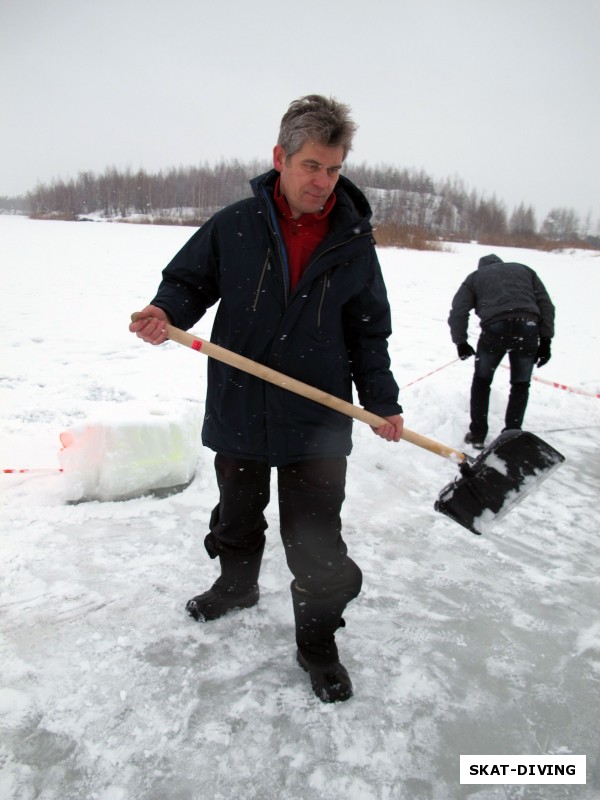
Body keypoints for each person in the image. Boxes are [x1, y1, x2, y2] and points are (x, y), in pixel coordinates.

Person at [129, 94, 403, 703]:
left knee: (317, 540)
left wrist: (382, 400)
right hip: (242, 401)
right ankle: (236, 585)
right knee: (236, 513)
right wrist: (164, 311)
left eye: (334, 169)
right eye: (311, 166)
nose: (322, 181)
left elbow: (368, 333)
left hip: (318, 417)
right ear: (280, 157)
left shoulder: (353, 242)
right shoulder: (236, 225)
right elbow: (187, 282)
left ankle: (317, 645)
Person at [448, 253, 555, 449]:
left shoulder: (475, 277)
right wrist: (546, 341)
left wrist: (460, 342)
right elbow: (546, 305)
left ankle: (478, 435)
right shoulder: (524, 270)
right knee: (520, 384)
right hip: (528, 327)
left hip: (495, 329)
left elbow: (458, 311)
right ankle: (512, 436)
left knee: (482, 381)